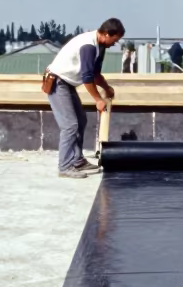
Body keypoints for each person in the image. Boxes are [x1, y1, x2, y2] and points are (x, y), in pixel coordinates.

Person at [45, 19, 125, 177]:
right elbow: (87, 77)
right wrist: (98, 99)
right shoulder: (88, 46)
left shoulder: (100, 46)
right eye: (114, 40)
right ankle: (65, 166)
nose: (114, 44)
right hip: (57, 82)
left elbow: (95, 75)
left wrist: (107, 88)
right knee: (70, 126)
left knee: (81, 120)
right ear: (107, 34)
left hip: (67, 84)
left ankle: (77, 161)